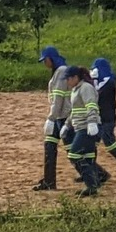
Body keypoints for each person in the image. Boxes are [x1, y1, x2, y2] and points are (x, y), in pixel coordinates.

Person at [63, 65, 106, 196]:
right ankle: (94, 184)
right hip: (80, 127)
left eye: (68, 79)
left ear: (75, 77)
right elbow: (75, 111)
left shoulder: (86, 88)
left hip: (87, 127)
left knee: (74, 155)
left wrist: (92, 122)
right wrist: (67, 124)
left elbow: (91, 105)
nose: (67, 82)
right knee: (88, 157)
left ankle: (91, 185)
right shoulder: (76, 90)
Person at [34, 45, 71, 191]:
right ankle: (49, 181)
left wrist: (51, 117)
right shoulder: (58, 71)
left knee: (73, 151)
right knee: (49, 146)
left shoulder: (61, 72)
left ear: (51, 59)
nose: (45, 63)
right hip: (59, 116)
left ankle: (98, 174)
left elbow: (59, 99)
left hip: (63, 116)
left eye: (45, 60)